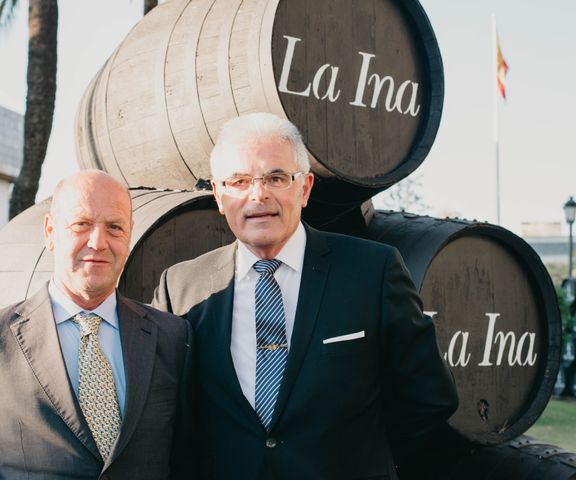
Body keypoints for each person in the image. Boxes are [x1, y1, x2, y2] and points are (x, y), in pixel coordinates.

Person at [152, 112, 459, 479]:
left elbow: (429, 397)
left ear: (305, 188)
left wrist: (363, 461)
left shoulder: (372, 272)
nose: (258, 194)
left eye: (276, 177)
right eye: (239, 181)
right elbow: (165, 413)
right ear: (219, 195)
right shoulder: (181, 287)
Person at [0, 170, 191, 479]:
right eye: (81, 224)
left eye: (114, 227)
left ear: (129, 234)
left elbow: (190, 456)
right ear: (50, 231)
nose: (98, 242)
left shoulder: (173, 337)